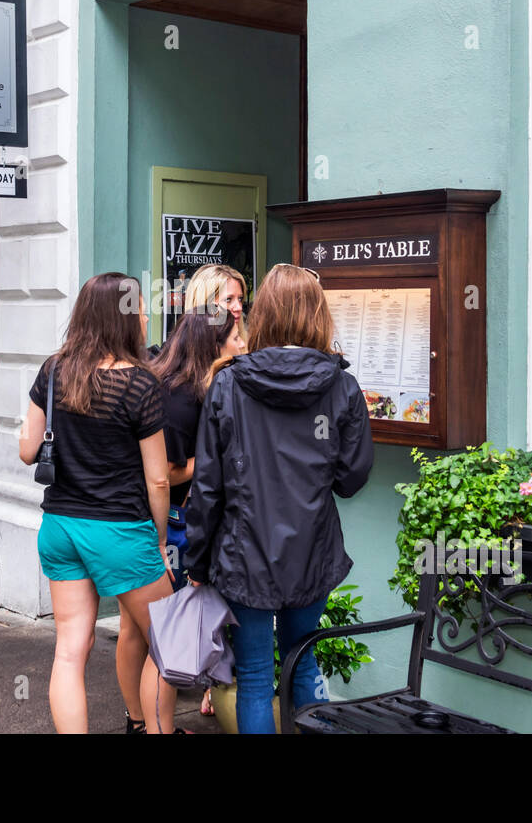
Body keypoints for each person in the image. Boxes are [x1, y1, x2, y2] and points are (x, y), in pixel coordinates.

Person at [184, 263, 373, 734]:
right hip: (312, 550)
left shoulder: (228, 383)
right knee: (303, 667)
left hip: (245, 554)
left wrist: (198, 562)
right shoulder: (341, 386)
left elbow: (208, 485)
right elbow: (351, 478)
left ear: (263, 312)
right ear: (317, 316)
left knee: (252, 678)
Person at [18, 272, 180, 734]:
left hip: (60, 526)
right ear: (124, 318)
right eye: (141, 308)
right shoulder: (140, 385)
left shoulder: (54, 370)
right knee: (168, 645)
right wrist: (161, 538)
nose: (147, 316)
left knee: (70, 649)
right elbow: (158, 477)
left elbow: (28, 450)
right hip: (120, 531)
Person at [149, 304, 245, 715]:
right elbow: (166, 474)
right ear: (214, 346)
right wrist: (211, 461)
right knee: (167, 636)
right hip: (174, 523)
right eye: (236, 337)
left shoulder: (200, 386)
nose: (244, 343)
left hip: (184, 520)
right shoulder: (181, 400)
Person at [182, 262, 248, 334]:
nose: (239, 307)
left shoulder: (244, 343)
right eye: (228, 299)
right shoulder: (180, 344)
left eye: (240, 299)